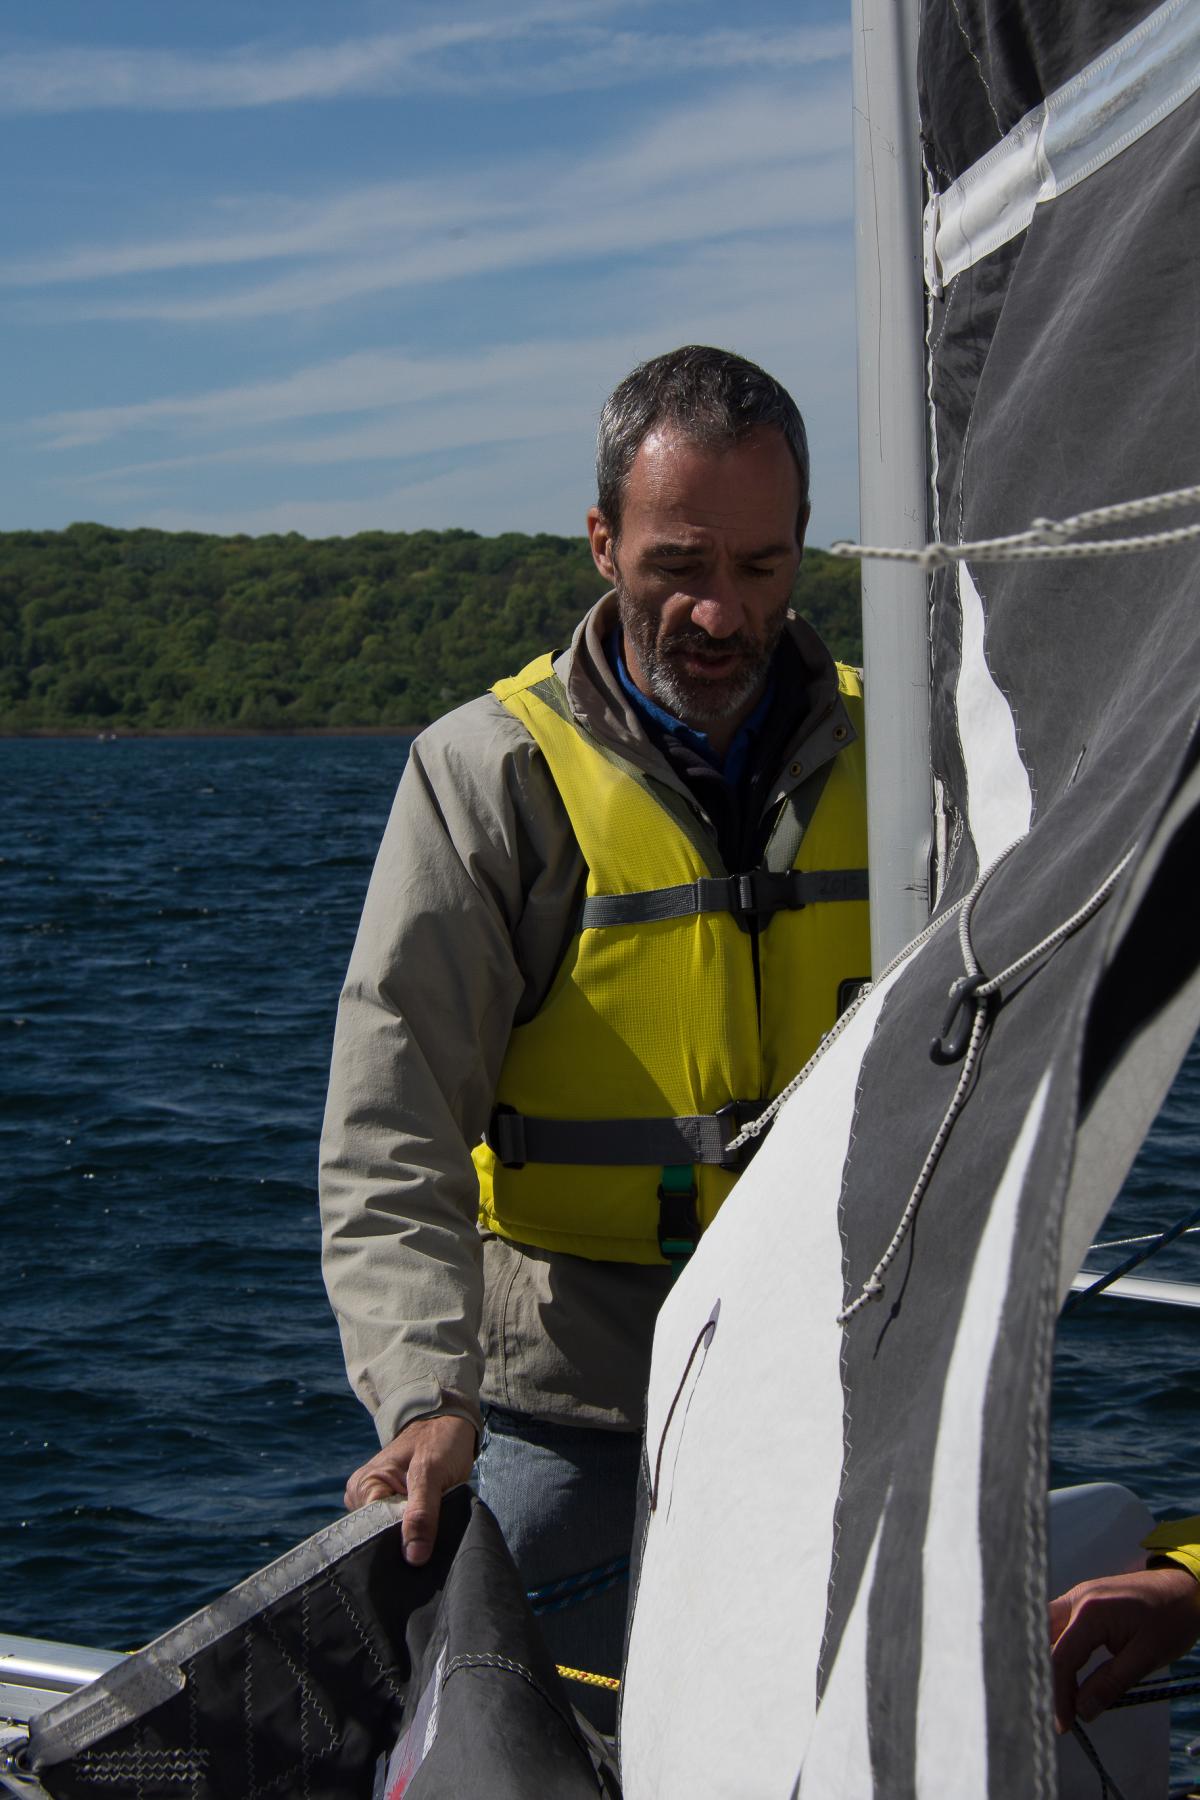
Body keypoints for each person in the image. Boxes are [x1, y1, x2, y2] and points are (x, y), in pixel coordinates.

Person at [319, 345, 871, 1711]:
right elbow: (393, 1126)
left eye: (761, 566)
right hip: (568, 1403)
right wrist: (425, 1398)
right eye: (678, 563)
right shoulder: (487, 774)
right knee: (484, 1719)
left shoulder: (911, 744)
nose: (719, 611)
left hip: (838, 1373)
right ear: (601, 540)